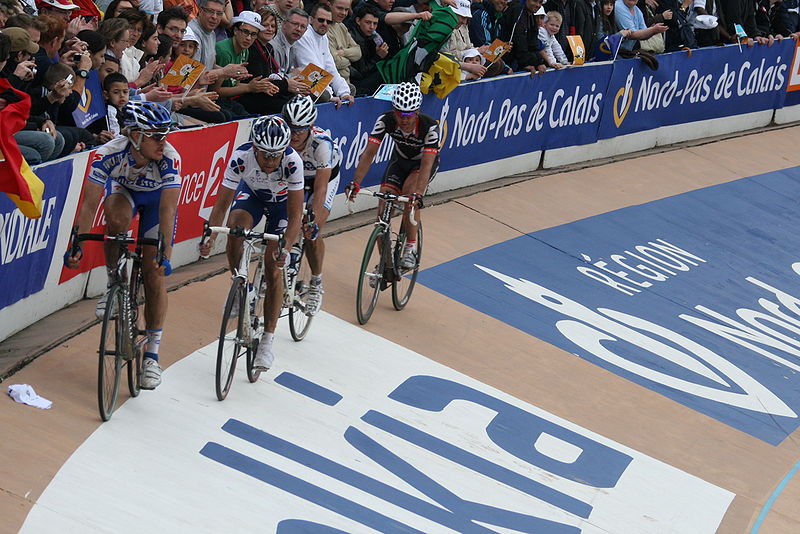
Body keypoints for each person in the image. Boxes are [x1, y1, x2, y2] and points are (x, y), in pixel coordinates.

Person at [65, 101, 180, 391]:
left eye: (164, 135)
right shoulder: (107, 155)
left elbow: (168, 211)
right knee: (115, 218)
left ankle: (152, 355)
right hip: (124, 191)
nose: (162, 142)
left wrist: (165, 254)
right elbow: (90, 204)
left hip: (156, 203)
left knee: (155, 276)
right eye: (155, 135)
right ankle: (114, 281)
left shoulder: (169, 157)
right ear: (134, 135)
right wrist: (77, 242)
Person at [199, 116, 304, 371]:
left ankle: (267, 341)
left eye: (274, 156)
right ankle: (241, 285)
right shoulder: (241, 157)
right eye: (264, 155)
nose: (269, 162)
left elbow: (295, 216)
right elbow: (221, 204)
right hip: (253, 197)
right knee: (236, 230)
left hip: (282, 207)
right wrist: (210, 235)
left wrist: (286, 248)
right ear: (254, 148)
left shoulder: (292, 162)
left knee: (273, 267)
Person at [346, 82, 438, 270]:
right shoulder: (386, 120)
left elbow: (427, 164)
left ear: (417, 111)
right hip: (400, 161)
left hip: (420, 165)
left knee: (409, 196)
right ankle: (385, 263)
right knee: (382, 210)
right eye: (399, 113)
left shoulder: (430, 127)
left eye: (408, 114)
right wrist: (355, 183)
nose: (403, 119)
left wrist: (418, 194)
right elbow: (369, 153)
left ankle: (411, 247)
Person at [281, 95, 342, 315]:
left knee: (311, 231)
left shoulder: (321, 144)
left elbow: (321, 189)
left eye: (300, 129)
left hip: (322, 178)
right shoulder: (280, 137)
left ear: (311, 126)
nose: (295, 134)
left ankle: (316, 282)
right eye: (291, 128)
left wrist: (313, 219)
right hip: (296, 179)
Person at [294, 3, 354, 105]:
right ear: (311, 20)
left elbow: (331, 69)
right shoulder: (304, 36)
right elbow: (313, 71)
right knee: (325, 95)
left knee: (349, 89)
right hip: (302, 84)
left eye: (329, 21)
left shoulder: (323, 37)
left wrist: (344, 93)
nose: (325, 24)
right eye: (321, 20)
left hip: (317, 82)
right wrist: (331, 96)